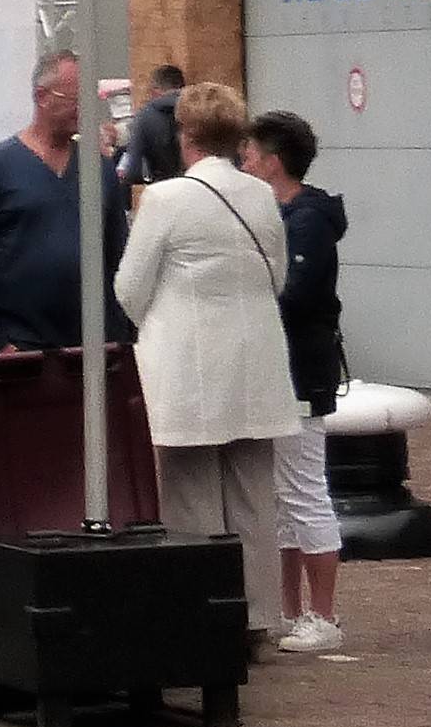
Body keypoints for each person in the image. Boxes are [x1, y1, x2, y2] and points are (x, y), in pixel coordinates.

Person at [115, 79, 300, 648]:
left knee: (192, 499)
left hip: (188, 370)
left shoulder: (167, 199)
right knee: (253, 497)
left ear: (186, 134)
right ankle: (258, 616)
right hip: (257, 366)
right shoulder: (260, 196)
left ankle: (204, 615)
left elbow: (129, 288)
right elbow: (279, 277)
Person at [250, 107, 350, 651]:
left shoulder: (306, 221)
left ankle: (325, 615)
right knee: (281, 495)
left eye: (247, 156)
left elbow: (298, 294)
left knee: (306, 489)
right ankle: (288, 609)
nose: (242, 164)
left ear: (270, 163)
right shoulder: (279, 215)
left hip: (302, 374)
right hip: (277, 370)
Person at [0, 51, 130, 352]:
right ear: (42, 96)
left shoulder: (98, 169)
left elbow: (117, 256)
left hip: (91, 347)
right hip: (19, 348)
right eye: (74, 100)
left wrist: (121, 335)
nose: (83, 110)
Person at [122, 61, 191, 186]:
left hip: (163, 190)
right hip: (200, 190)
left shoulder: (145, 116)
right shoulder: (200, 110)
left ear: (155, 90)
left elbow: (132, 171)